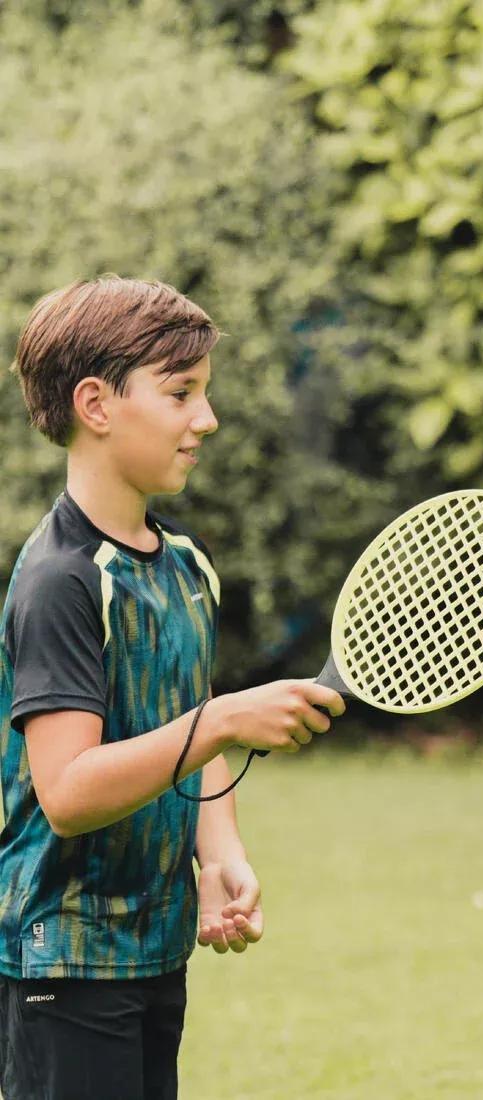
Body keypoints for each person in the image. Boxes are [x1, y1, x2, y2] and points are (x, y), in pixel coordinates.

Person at [0, 276, 345, 1099]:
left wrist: (220, 852)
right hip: (63, 963)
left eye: (206, 394)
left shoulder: (188, 569)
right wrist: (224, 717)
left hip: (156, 950)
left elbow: (192, 749)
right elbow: (69, 792)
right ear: (96, 404)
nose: (207, 420)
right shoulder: (62, 582)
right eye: (181, 393)